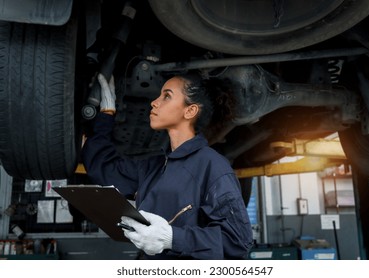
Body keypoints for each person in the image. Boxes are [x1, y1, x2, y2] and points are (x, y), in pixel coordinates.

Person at [81, 71, 253, 259]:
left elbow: (238, 243)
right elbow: (106, 169)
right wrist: (106, 114)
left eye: (167, 96)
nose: (154, 102)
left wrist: (173, 238)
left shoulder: (212, 166)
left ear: (190, 111)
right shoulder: (154, 167)